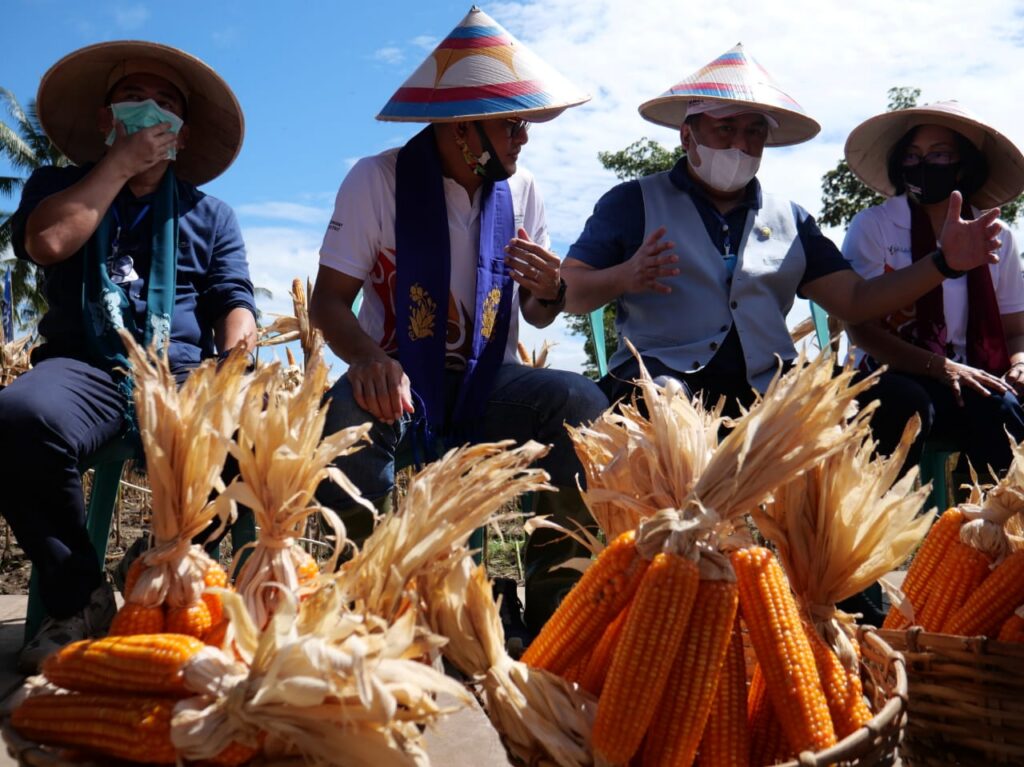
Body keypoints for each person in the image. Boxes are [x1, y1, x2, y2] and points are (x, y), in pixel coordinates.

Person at [310, 7, 608, 637]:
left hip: (488, 384)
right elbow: (328, 302)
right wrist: (369, 359)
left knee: (581, 402)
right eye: (511, 124)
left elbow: (535, 314)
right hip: (396, 379)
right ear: (460, 127)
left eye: (524, 125)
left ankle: (554, 608)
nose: (523, 139)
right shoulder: (377, 180)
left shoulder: (522, 190)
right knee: (348, 418)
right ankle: (362, 598)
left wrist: (551, 290)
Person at [562, 43, 1002, 442]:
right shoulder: (633, 202)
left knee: (896, 402)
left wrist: (943, 263)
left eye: (754, 131)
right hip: (662, 378)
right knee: (666, 403)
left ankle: (838, 509)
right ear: (687, 135)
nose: (741, 144)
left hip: (769, 385)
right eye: (725, 128)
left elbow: (854, 301)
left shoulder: (791, 220)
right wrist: (624, 276)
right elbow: (570, 292)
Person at [1, 41, 257, 670]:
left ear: (183, 134)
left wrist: (237, 361)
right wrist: (117, 166)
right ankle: (78, 597)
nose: (149, 110)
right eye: (133, 99)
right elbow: (47, 243)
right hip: (85, 367)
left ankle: (163, 567)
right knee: (18, 417)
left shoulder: (210, 214)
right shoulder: (58, 186)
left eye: (165, 103)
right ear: (105, 119)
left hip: (182, 374)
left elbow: (234, 299)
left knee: (255, 432)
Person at [842, 101, 1024, 475]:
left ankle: (997, 509)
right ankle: (881, 507)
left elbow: (1015, 331)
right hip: (888, 373)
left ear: (964, 166)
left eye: (939, 154)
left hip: (970, 376)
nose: (923, 164)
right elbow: (861, 329)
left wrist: (1020, 364)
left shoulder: (997, 236)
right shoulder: (874, 226)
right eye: (912, 155)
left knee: (1003, 409)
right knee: (906, 403)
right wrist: (938, 366)